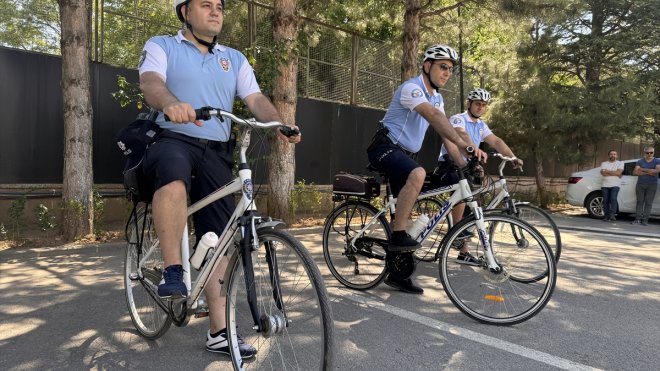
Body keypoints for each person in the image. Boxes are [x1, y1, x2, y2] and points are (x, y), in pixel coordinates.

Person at [138, 0, 300, 358]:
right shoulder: (162, 45)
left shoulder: (234, 58)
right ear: (185, 12)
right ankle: (173, 271)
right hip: (173, 137)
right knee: (174, 179)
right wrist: (170, 103)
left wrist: (278, 123)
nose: (215, 11)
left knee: (221, 235)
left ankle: (219, 331)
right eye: (206, 5)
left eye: (220, 7)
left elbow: (255, 97)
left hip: (216, 149)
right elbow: (151, 82)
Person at [367, 44, 482, 294]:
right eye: (443, 67)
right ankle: (397, 236)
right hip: (384, 148)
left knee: (408, 221)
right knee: (418, 173)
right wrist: (466, 144)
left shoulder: (437, 97)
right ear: (427, 66)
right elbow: (434, 118)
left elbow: (446, 135)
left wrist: (465, 163)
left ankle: (397, 274)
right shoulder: (412, 88)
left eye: (451, 69)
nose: (447, 73)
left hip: (405, 154)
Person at [437, 88, 522, 265]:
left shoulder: (481, 125)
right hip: (449, 163)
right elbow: (461, 134)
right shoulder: (458, 119)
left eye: (483, 105)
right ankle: (456, 232)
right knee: (463, 195)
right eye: (477, 104)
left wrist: (512, 157)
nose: (480, 108)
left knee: (475, 201)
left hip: (467, 165)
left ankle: (463, 252)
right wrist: (474, 150)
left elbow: (496, 141)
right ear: (469, 103)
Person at [631, 146, 660, 225]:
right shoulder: (640, 161)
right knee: (639, 202)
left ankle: (645, 220)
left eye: (651, 152)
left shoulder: (657, 161)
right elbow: (635, 172)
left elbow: (657, 171)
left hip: (652, 185)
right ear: (645, 153)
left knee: (648, 203)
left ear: (654, 153)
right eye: (647, 153)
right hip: (640, 184)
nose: (649, 154)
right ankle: (637, 219)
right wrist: (650, 172)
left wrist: (642, 169)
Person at [600, 150, 623, 221]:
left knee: (613, 199)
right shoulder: (604, 163)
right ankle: (606, 215)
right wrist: (615, 173)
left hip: (615, 185)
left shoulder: (620, 163)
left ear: (617, 156)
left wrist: (608, 171)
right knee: (606, 200)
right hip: (605, 185)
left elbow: (619, 173)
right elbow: (603, 173)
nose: (613, 155)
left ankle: (612, 215)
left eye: (614, 154)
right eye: (611, 154)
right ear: (609, 155)